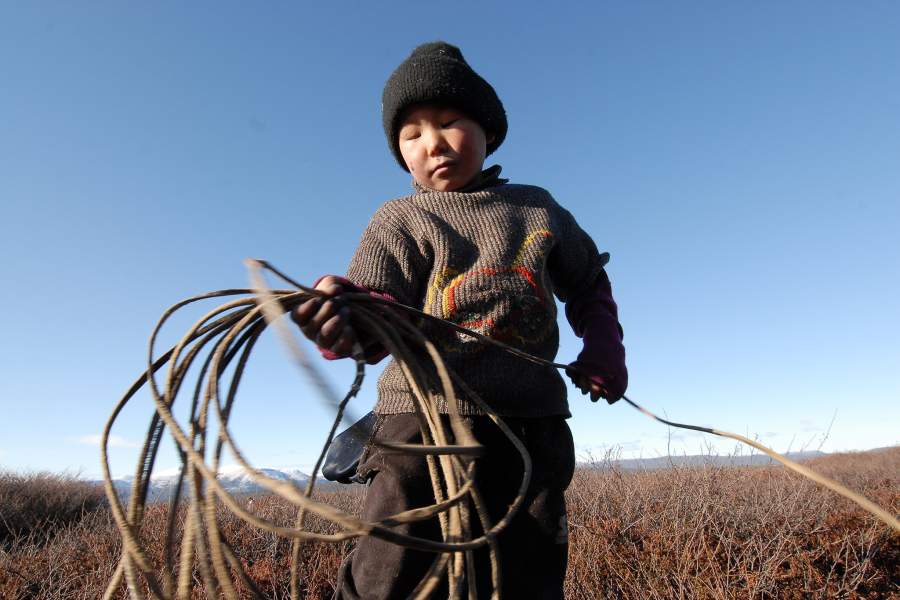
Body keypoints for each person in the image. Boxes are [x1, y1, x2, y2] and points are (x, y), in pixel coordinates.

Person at [292, 41, 627, 600]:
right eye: (412, 134)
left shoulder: (537, 208)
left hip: (532, 423)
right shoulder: (400, 219)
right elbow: (376, 309)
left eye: (449, 122)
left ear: (487, 130)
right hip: (420, 428)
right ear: (400, 153)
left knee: (526, 575)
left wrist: (604, 347)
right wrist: (342, 315)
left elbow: (590, 282)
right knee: (391, 574)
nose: (433, 143)